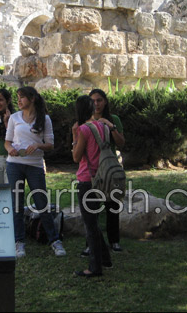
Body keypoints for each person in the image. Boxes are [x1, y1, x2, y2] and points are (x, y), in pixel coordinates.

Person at [4, 86, 66, 258]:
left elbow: (50, 144)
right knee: (16, 204)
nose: (19, 100)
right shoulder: (14, 117)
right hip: (14, 165)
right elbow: (7, 142)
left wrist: (38, 145)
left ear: (32, 99)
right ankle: (19, 242)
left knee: (41, 202)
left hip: (35, 165)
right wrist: (10, 149)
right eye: (17, 97)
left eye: (22, 97)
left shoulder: (44, 119)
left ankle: (54, 240)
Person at [81, 89, 125, 257]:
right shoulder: (85, 122)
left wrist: (111, 126)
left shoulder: (113, 119)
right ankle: (91, 243)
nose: (96, 104)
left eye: (99, 100)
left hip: (109, 167)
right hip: (92, 170)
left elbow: (121, 143)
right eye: (93, 101)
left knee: (112, 205)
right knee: (92, 209)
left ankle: (114, 240)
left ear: (105, 101)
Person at [71, 95, 112, 277]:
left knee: (90, 225)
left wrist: (74, 136)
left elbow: (76, 157)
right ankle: (105, 258)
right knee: (93, 220)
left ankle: (94, 268)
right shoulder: (103, 126)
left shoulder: (83, 129)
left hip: (87, 179)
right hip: (103, 177)